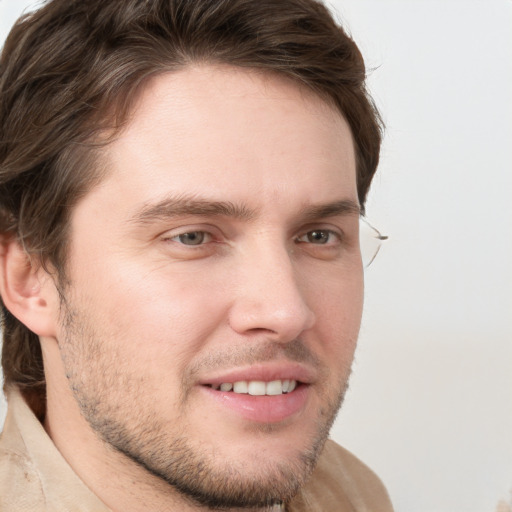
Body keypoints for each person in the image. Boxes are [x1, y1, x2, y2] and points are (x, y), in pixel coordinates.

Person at [0, 0, 393, 510]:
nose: (286, 311)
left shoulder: (353, 495)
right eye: (191, 237)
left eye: (318, 236)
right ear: (30, 278)